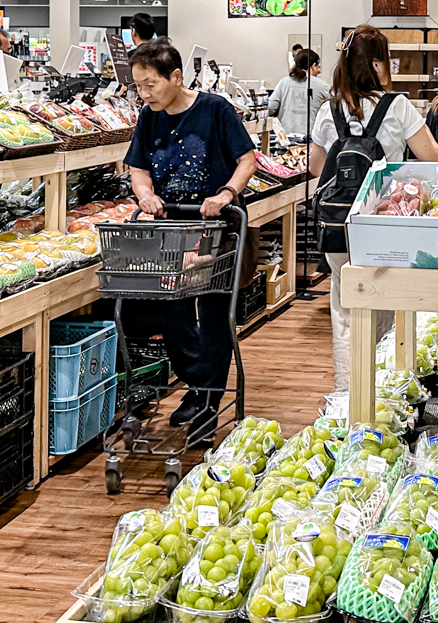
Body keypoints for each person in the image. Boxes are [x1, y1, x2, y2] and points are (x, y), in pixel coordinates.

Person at [124, 40, 258, 443]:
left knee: (215, 316)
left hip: (216, 229)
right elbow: (139, 168)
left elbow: (246, 159)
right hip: (171, 230)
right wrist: (144, 194)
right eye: (138, 87)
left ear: (176, 78)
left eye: (150, 85)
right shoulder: (149, 118)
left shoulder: (215, 109)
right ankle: (199, 386)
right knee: (172, 313)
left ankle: (207, 402)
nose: (144, 94)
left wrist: (225, 194)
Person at [309, 25, 438, 390]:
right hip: (386, 224)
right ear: (380, 64)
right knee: (389, 308)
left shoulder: (329, 109)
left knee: (345, 311)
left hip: (338, 225)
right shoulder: (397, 106)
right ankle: (387, 394)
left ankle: (348, 395)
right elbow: (433, 156)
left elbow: (317, 168)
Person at [266, 48, 330, 138]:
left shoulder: (284, 82)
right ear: (313, 66)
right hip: (310, 139)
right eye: (318, 67)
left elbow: (271, 108)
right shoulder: (322, 86)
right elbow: (335, 109)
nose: (318, 70)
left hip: (285, 137)